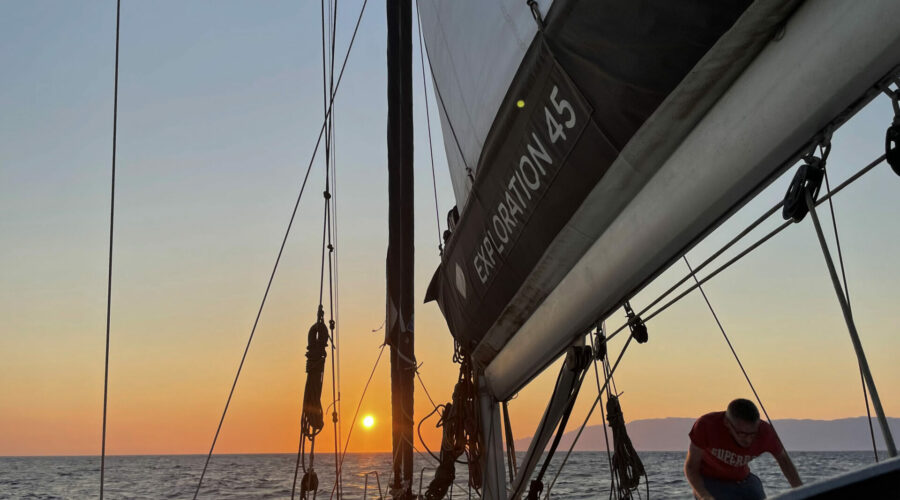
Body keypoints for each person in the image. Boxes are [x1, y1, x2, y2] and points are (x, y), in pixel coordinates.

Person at [684, 398, 802, 499]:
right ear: (727, 423)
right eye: (742, 434)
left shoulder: (765, 432)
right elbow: (691, 467)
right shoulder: (706, 425)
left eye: (752, 434)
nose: (748, 439)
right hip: (711, 482)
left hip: (745, 481)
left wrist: (801, 492)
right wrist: (704, 496)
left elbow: (784, 461)